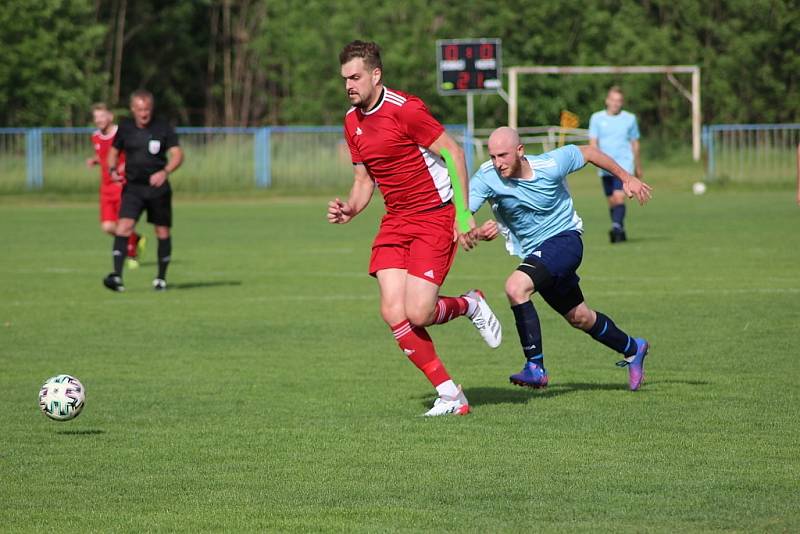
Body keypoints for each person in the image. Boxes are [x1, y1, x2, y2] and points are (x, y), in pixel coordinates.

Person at [327, 40, 502, 417]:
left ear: (375, 74)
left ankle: (470, 304)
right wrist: (350, 209)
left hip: (433, 216)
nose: (349, 85)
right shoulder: (351, 121)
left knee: (418, 313)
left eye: (355, 77)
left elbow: (454, 153)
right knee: (393, 311)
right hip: (395, 220)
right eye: (344, 79)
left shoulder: (406, 110)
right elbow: (363, 181)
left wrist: (462, 214)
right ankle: (450, 394)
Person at [468, 127, 652, 391]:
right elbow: (462, 213)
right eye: (493, 156)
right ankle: (633, 348)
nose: (497, 163)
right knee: (580, 317)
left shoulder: (551, 164)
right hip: (537, 253)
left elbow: (588, 152)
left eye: (503, 156)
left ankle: (535, 367)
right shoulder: (486, 177)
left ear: (520, 151)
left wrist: (627, 177)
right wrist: (475, 232)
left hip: (565, 240)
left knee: (515, 287)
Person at [103, 90, 183, 292]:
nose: (144, 113)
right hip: (133, 188)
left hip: (158, 189)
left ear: (151, 109)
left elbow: (177, 154)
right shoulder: (126, 128)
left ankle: (161, 279)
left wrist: (165, 171)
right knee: (123, 227)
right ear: (133, 109)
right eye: (139, 109)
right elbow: (113, 153)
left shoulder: (163, 128)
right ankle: (117, 278)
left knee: (162, 231)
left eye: (147, 109)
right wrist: (112, 169)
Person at [86, 103, 145, 268]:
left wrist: (126, 166)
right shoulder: (95, 136)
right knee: (107, 227)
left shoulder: (122, 133)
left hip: (121, 186)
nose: (99, 120)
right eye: (96, 117)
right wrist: (94, 160)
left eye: (102, 116)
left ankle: (132, 254)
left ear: (110, 116)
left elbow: (135, 152)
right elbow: (104, 156)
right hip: (105, 188)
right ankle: (135, 239)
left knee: (122, 226)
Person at [588, 86, 643, 243]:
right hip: (605, 166)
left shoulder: (629, 119)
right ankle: (619, 226)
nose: (615, 103)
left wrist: (638, 165)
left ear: (622, 102)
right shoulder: (597, 118)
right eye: (613, 100)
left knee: (619, 197)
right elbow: (593, 142)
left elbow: (635, 142)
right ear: (607, 100)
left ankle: (616, 227)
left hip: (625, 165)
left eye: (619, 101)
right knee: (612, 200)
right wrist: (594, 159)